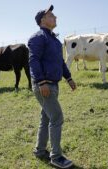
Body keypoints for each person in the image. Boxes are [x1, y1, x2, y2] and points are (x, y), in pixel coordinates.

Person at [28, 5, 77, 169]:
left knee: (46, 118)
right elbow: (33, 61)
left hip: (53, 84)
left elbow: (60, 62)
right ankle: (56, 157)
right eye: (51, 16)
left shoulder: (54, 40)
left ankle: (40, 150)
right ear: (43, 20)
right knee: (57, 117)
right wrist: (41, 82)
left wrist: (69, 78)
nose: (55, 18)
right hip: (44, 85)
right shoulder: (38, 37)